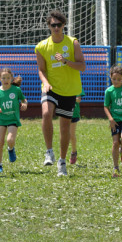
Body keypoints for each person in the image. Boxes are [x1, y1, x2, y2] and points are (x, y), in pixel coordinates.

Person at [35, 10, 86, 177]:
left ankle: (62, 163)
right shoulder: (41, 47)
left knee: (65, 128)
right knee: (46, 113)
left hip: (69, 90)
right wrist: (46, 83)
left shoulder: (73, 43)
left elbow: (82, 66)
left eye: (59, 25)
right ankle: (49, 151)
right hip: (51, 88)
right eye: (52, 25)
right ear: (48, 26)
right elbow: (41, 70)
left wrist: (65, 61)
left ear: (64, 25)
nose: (56, 28)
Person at [0, 68, 28, 173]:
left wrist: (24, 104)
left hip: (13, 119)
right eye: (3, 78)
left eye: (8, 77)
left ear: (11, 78)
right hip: (1, 119)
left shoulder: (16, 90)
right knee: (0, 141)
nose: (6, 80)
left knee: (10, 140)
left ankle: (11, 149)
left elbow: (23, 99)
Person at [69, 90, 85, 165]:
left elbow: (78, 100)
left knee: (71, 134)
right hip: (63, 112)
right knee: (64, 134)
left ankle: (74, 152)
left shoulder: (77, 86)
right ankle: (62, 156)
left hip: (73, 113)